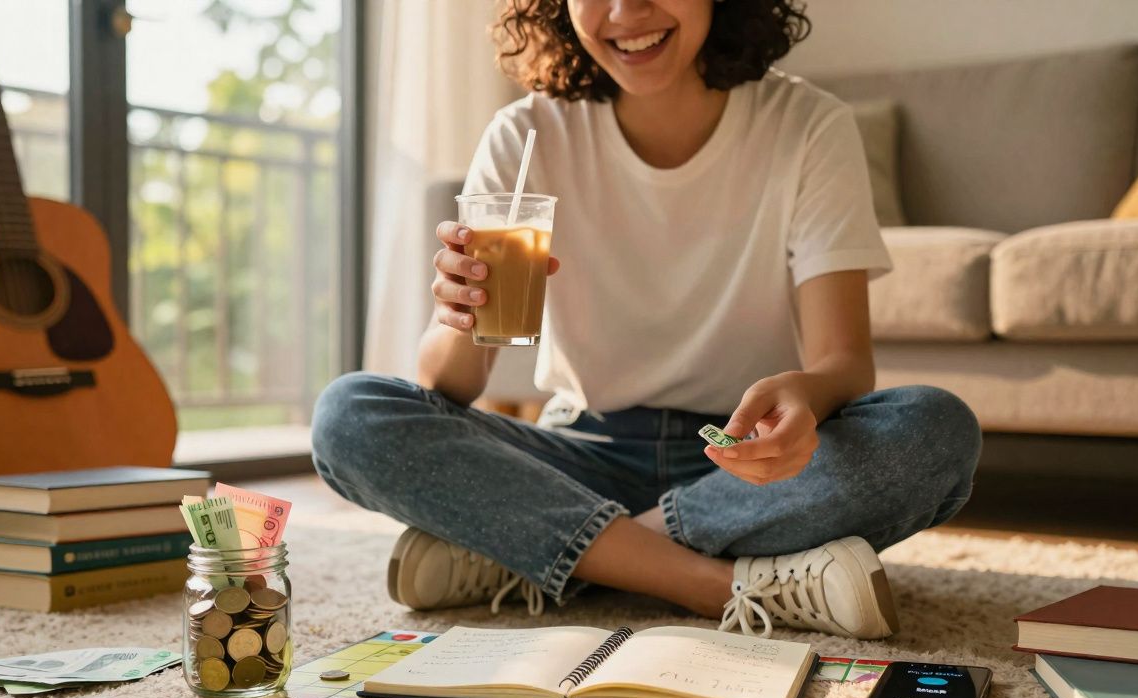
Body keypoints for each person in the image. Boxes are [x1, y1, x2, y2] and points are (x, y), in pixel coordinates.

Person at [312, 0, 981, 639]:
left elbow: (844, 364)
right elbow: (453, 386)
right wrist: (458, 315)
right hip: (578, 453)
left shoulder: (808, 124)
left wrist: (807, 394)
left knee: (933, 431)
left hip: (740, 464)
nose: (627, 14)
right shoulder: (525, 135)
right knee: (350, 415)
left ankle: (553, 552)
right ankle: (707, 583)